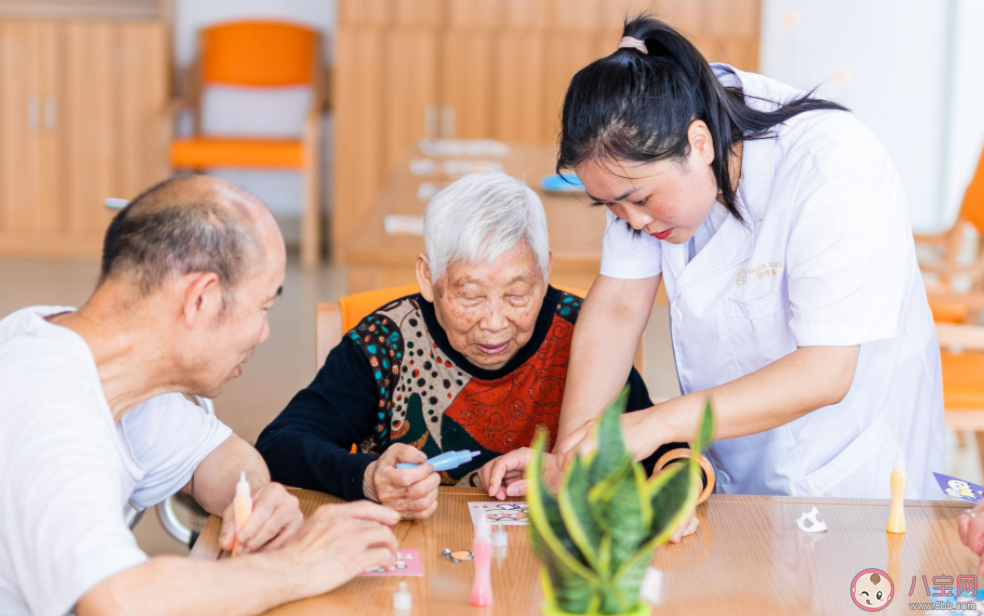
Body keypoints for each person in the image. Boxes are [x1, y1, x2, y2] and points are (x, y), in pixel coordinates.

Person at [546, 16, 943, 498]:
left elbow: (826, 372)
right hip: (738, 462)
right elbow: (617, 308)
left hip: (851, 473)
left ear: (699, 144)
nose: (631, 221)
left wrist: (656, 424)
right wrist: (571, 459)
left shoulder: (834, 166)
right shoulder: (641, 149)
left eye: (640, 200)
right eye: (610, 205)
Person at [0, 177, 399, 616]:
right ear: (200, 299)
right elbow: (116, 600)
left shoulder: (96, 360)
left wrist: (254, 497)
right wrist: (298, 565)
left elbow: (220, 457)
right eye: (262, 308)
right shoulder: (45, 407)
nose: (264, 333)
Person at [256, 173, 701, 540]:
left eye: (517, 293)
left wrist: (669, 492)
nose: (494, 322)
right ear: (428, 277)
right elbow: (280, 444)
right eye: (469, 295)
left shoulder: (587, 334)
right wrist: (368, 476)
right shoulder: (386, 341)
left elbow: (670, 452)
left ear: (545, 272)